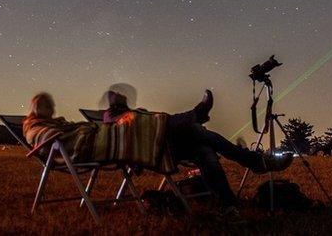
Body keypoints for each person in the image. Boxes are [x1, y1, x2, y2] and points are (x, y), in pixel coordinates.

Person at [23, 91, 291, 217]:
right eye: (46, 106)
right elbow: (50, 140)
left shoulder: (62, 123)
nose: (52, 108)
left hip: (160, 146)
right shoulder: (37, 128)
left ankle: (230, 204)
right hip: (145, 145)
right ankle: (249, 160)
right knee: (198, 135)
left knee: (203, 144)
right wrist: (82, 131)